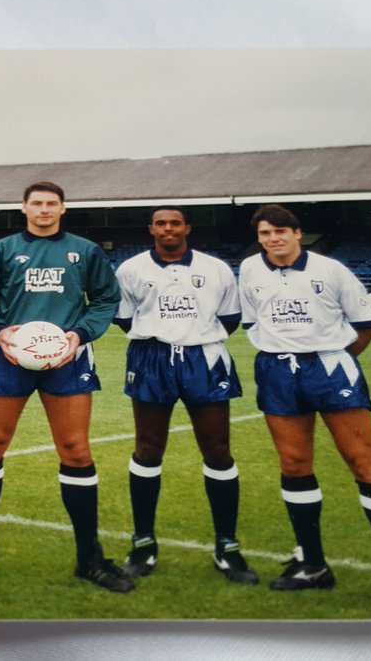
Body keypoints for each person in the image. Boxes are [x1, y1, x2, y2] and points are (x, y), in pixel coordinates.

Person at [237, 204, 371, 612]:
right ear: (260, 237)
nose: (274, 239)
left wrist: (335, 361)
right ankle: (313, 565)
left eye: (281, 232)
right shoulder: (250, 269)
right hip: (276, 371)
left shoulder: (331, 270)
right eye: (267, 233)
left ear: (298, 233)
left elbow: (365, 326)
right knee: (294, 465)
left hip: (330, 368)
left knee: (365, 466)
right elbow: (252, 323)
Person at [0, 181, 132, 593]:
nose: (44, 209)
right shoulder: (0, 251)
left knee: (76, 450)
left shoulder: (85, 251)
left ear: (63, 208)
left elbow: (105, 300)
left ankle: (89, 558)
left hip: (67, 358)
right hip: (10, 357)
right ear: (24, 208)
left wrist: (78, 336)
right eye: (37, 203)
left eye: (51, 204)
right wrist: (1, 334)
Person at [113, 206, 257, 585]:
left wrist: (193, 337)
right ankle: (143, 543)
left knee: (217, 449)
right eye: (161, 223)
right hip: (151, 357)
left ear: (187, 228)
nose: (168, 228)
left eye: (175, 222)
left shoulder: (216, 268)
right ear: (151, 230)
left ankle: (227, 546)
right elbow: (124, 318)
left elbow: (230, 319)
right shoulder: (130, 269)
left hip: (203, 357)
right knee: (147, 447)